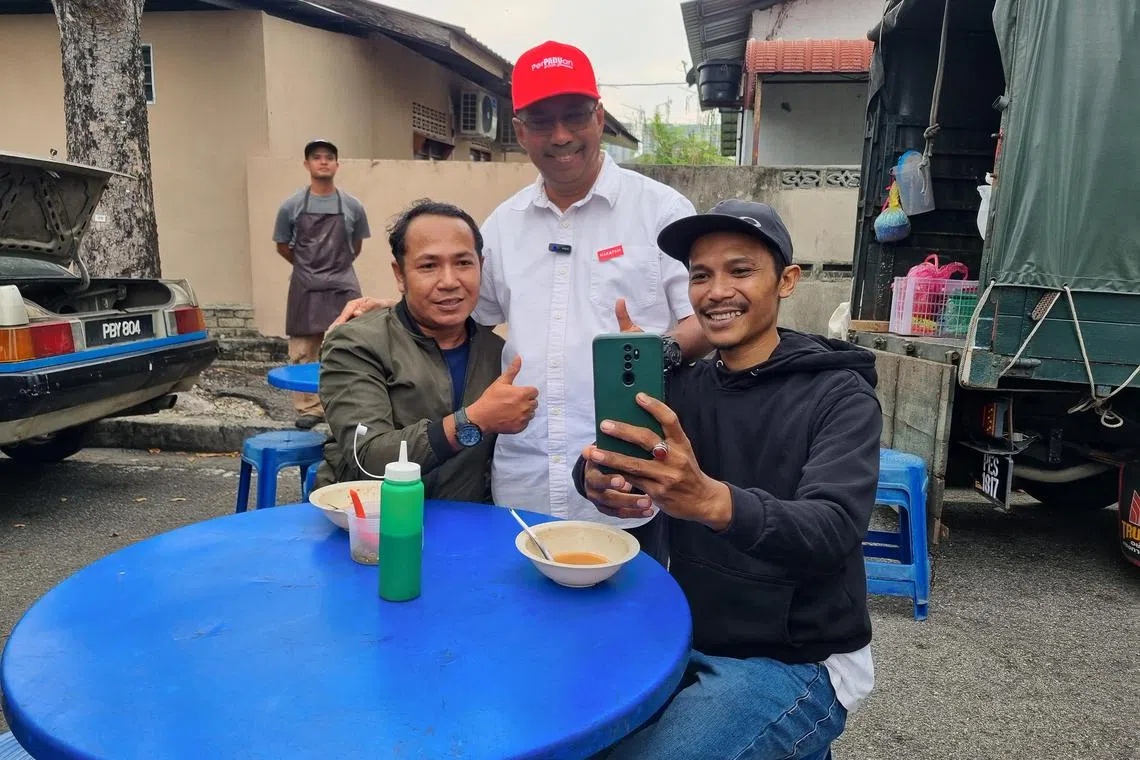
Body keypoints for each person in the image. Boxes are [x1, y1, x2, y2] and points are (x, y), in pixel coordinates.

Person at [328, 41, 710, 563]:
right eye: (541, 121)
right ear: (520, 129)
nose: (561, 136)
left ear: (599, 117)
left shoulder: (662, 211)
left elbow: (704, 321)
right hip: (521, 478)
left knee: (620, 628)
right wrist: (388, 310)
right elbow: (461, 309)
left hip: (623, 473)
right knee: (519, 623)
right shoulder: (504, 226)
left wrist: (653, 353)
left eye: (575, 115)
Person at [573, 200, 881, 760]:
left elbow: (833, 528)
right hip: (683, 638)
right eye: (700, 275)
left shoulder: (838, 394)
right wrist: (597, 477)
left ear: (786, 281)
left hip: (797, 658)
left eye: (740, 271)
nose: (717, 291)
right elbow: (623, 460)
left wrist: (712, 501)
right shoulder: (684, 387)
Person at [314, 200, 538, 503]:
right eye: (428, 266)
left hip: (465, 528)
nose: (449, 281)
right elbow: (369, 459)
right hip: (372, 525)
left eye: (463, 263)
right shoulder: (356, 345)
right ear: (400, 275)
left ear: (481, 267)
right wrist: (474, 421)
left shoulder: (496, 354)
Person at [274, 138, 371, 430]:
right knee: (303, 351)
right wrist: (308, 269)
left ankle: (345, 408)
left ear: (337, 164)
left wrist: (333, 269)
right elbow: (282, 245)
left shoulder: (353, 206)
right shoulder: (290, 206)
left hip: (343, 284)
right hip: (305, 285)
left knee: (351, 348)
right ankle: (309, 409)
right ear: (307, 164)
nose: (323, 161)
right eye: (317, 157)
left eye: (329, 157)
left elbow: (356, 247)